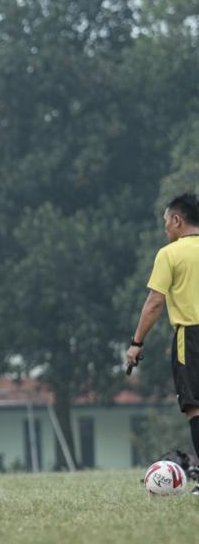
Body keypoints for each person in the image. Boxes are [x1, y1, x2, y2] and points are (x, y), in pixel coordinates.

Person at [126, 192, 199, 494]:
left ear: (178, 220)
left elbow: (155, 302)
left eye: (166, 223)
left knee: (196, 408)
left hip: (191, 337)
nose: (165, 230)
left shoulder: (169, 254)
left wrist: (136, 343)